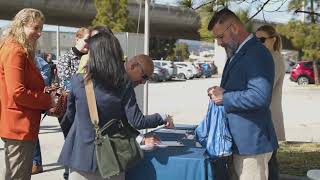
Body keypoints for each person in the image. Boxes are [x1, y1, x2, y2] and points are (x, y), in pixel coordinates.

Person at [58, 31, 173, 180]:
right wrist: (162, 117)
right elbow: (136, 121)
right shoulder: (123, 85)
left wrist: (79, 138)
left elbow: (69, 118)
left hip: (80, 158)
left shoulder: (77, 81)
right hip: (112, 160)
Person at [207, 8, 278, 180]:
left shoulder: (256, 53)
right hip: (240, 143)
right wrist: (220, 92)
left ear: (234, 28)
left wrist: (225, 97)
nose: (219, 42)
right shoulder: (239, 52)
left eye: (220, 37)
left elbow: (260, 96)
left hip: (252, 146)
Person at [0, 8, 56, 180]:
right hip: (19, 126)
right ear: (21, 25)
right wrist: (48, 100)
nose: (39, 33)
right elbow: (18, 92)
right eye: (35, 28)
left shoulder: (16, 49)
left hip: (20, 125)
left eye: (41, 29)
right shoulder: (15, 51)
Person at [256, 25, 286, 180]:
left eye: (261, 40)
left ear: (273, 40)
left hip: (269, 118)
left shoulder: (275, 58)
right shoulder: (266, 57)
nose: (258, 43)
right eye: (256, 40)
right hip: (266, 117)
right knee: (269, 162)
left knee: (269, 162)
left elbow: (263, 88)